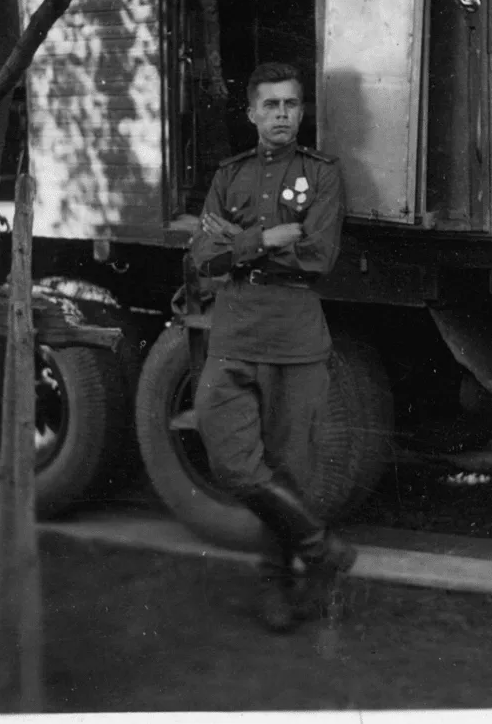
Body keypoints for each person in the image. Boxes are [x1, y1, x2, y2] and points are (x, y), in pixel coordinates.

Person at [188, 61, 353, 633]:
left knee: (288, 470)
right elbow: (202, 258)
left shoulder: (322, 175)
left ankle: (277, 585)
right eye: (271, 105)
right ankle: (323, 550)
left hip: (294, 336)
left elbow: (317, 256)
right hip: (234, 333)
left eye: (291, 104)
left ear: (301, 111)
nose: (282, 114)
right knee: (232, 463)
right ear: (252, 113)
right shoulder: (229, 175)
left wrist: (239, 244)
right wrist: (267, 237)